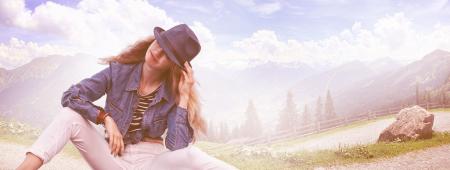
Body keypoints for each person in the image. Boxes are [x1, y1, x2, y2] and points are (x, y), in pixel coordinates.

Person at [16, 24, 237, 170]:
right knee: (68, 116)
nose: (157, 52)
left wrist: (184, 97)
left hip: (152, 162)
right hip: (113, 157)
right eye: (159, 43)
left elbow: (178, 149)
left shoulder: (174, 92)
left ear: (175, 65)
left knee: (192, 156)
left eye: (167, 54)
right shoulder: (118, 71)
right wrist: (105, 118)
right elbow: (71, 96)